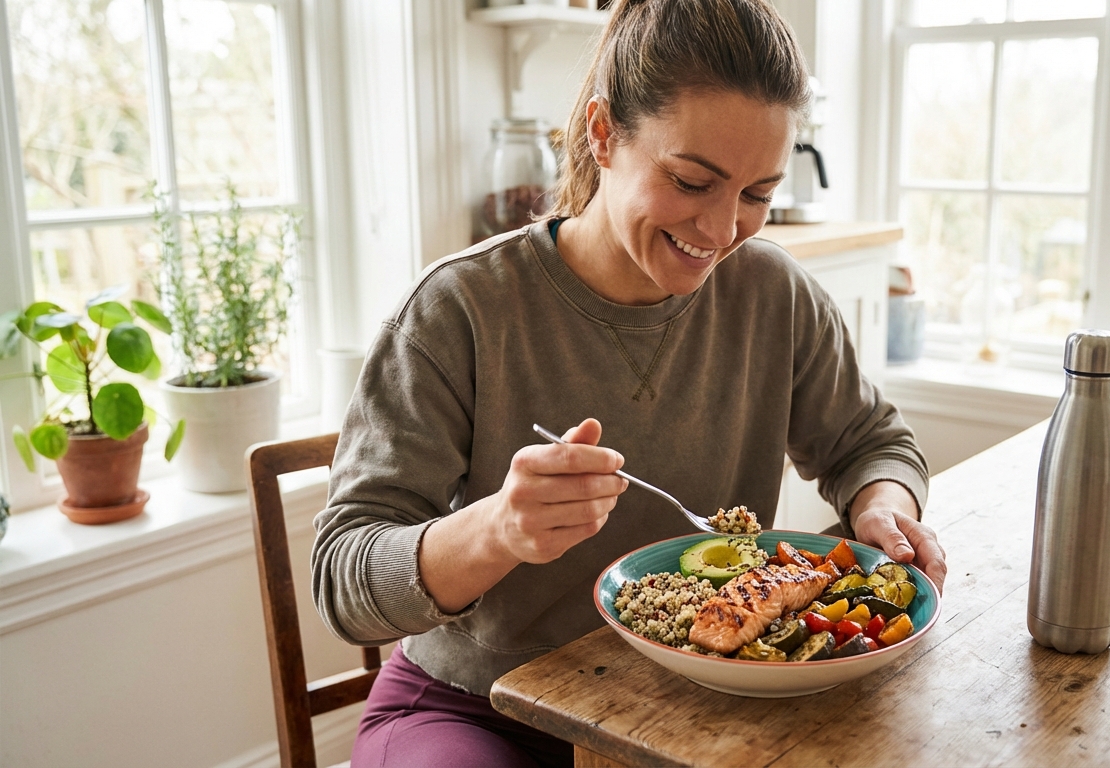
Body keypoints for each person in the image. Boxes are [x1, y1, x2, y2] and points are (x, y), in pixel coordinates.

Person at [313, 1, 947, 765]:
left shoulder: (773, 294)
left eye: (757, 194)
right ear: (603, 134)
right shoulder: (460, 308)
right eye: (691, 181)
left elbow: (871, 443)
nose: (722, 231)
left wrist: (883, 507)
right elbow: (345, 579)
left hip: (694, 702)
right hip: (479, 707)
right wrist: (498, 530)